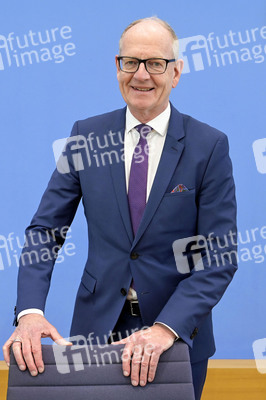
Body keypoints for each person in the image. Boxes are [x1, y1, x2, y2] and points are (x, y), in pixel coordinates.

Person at [3, 17, 237, 400]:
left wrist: (166, 328)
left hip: (175, 339)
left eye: (155, 64)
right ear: (117, 67)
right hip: (94, 334)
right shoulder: (86, 136)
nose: (141, 75)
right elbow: (46, 231)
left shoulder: (208, 146)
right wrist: (29, 312)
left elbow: (219, 256)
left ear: (176, 72)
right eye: (131, 62)